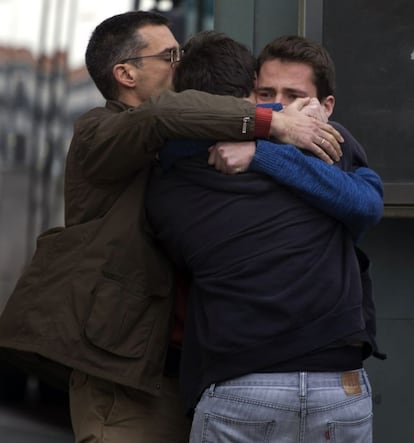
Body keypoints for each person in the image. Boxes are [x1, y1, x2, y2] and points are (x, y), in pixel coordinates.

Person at [0, 12, 345, 443]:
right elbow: (160, 115)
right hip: (125, 384)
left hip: (197, 377)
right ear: (125, 73)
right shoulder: (98, 129)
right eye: (170, 55)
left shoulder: (190, 132)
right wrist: (274, 120)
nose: (182, 64)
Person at [146, 31, 384, 442]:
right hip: (326, 381)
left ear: (323, 107)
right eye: (266, 95)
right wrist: (273, 128)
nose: (283, 109)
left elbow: (366, 204)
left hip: (251, 379)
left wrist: (263, 150)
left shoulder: (326, 141)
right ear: (247, 97)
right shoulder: (188, 158)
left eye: (294, 97)